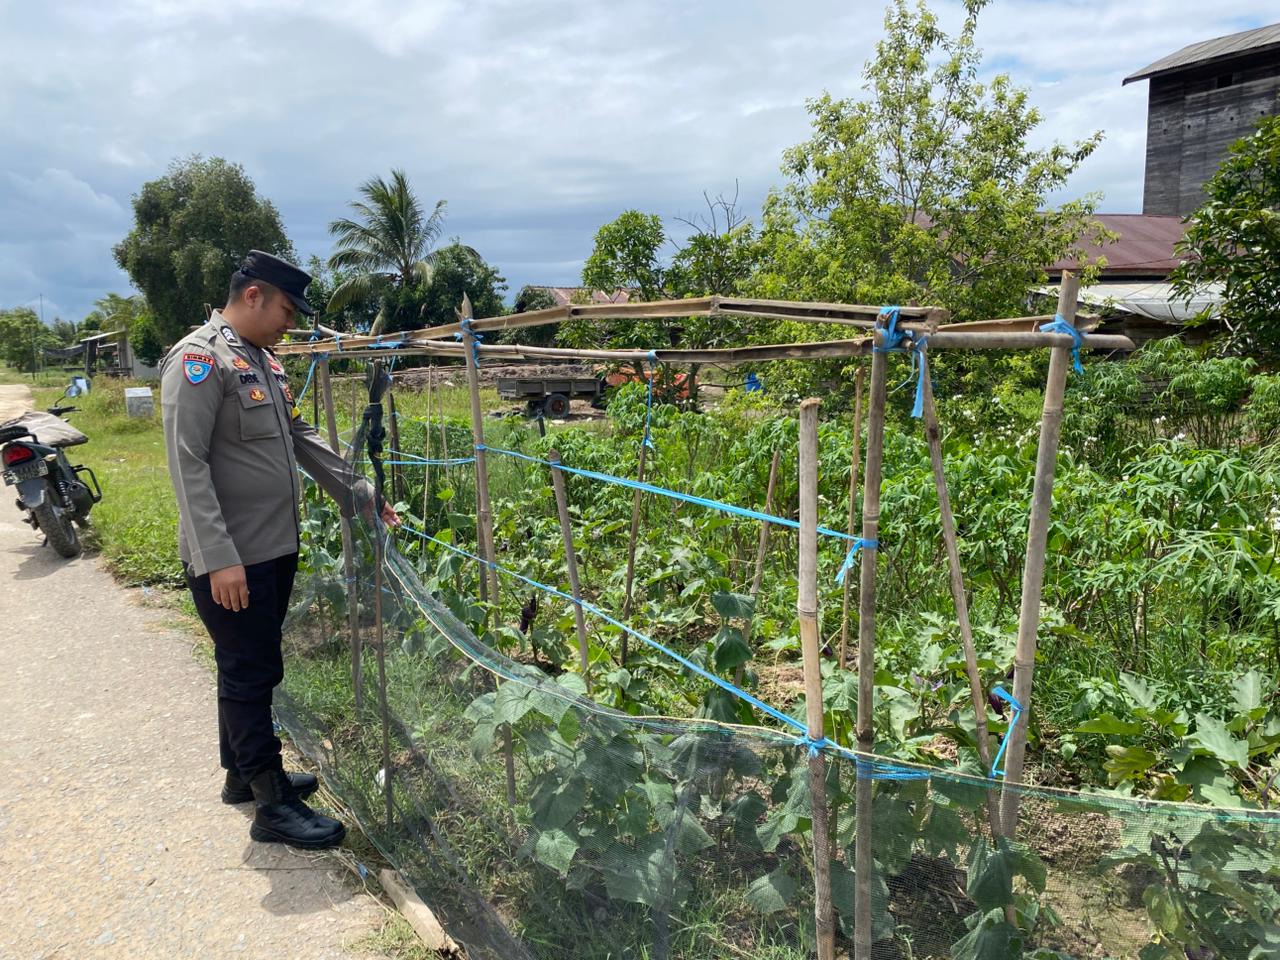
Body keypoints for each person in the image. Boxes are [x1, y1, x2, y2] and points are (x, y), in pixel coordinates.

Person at [160, 250, 398, 849]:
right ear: (254, 296)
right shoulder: (198, 361)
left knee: (245, 664)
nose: (290, 323)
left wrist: (362, 494)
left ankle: (243, 774)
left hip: (270, 547)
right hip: (233, 557)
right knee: (251, 669)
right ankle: (272, 807)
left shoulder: (261, 362)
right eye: (287, 309)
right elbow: (187, 467)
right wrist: (218, 558)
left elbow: (300, 438)